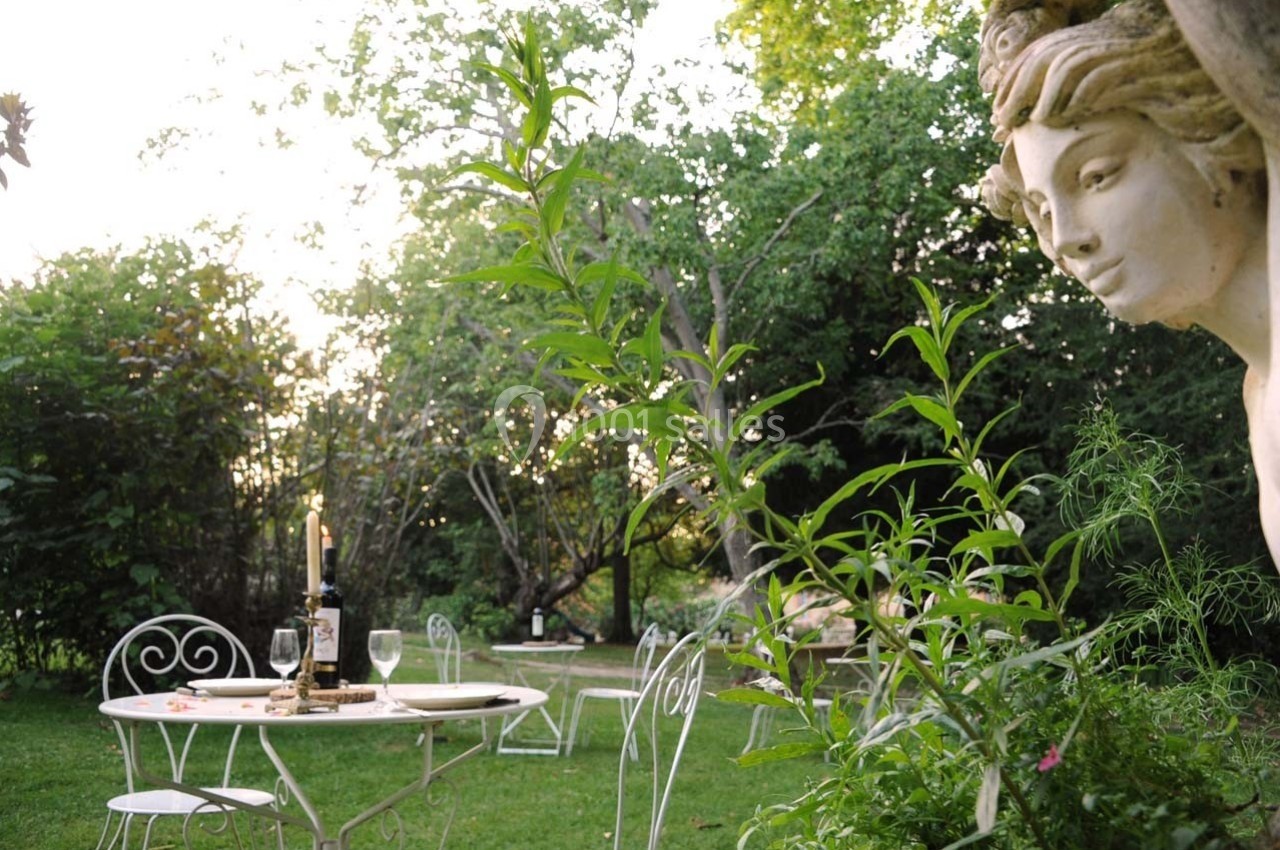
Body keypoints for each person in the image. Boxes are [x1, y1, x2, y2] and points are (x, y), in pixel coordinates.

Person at [979, 0, 1280, 568]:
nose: (1065, 239)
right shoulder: (1260, 396)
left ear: (1212, 135)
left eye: (1095, 176)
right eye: (1043, 211)